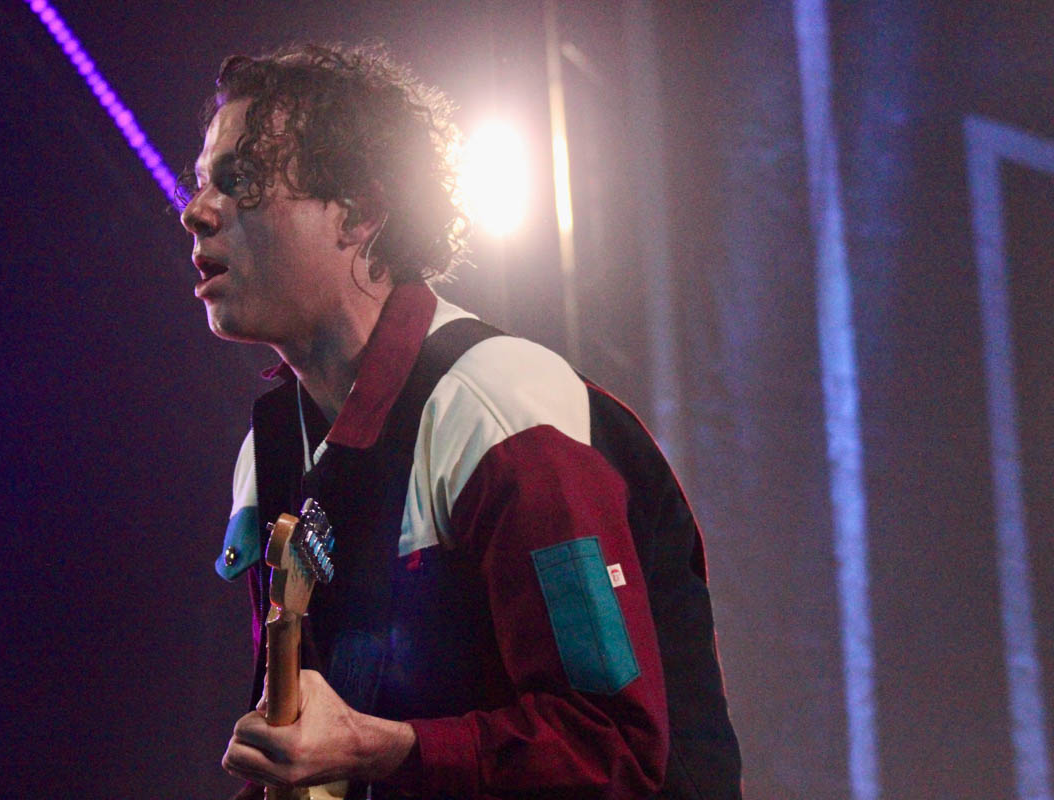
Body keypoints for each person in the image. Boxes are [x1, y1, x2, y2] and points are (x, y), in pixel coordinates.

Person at [178, 43, 741, 799]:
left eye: (241, 180)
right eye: (200, 182)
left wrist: (376, 749)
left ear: (359, 214)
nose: (197, 211)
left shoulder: (500, 413)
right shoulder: (272, 449)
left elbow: (613, 749)